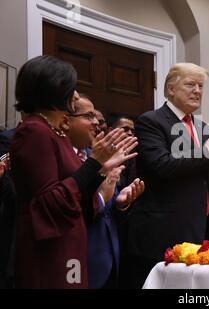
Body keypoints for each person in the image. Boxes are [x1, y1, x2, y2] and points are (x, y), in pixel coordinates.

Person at [10, 55, 134, 288]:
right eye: (72, 87)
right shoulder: (35, 131)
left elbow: (75, 199)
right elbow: (48, 203)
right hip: (49, 252)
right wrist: (94, 163)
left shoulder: (56, 133)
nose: (76, 95)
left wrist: (101, 171)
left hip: (70, 244)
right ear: (54, 87)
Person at [125, 62, 209, 288]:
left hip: (203, 229)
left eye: (201, 86)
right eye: (190, 84)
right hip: (163, 231)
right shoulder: (151, 122)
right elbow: (163, 166)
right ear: (170, 89)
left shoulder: (204, 128)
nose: (197, 91)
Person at [66, 94, 144, 288]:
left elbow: (110, 205)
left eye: (97, 118)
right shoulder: (64, 158)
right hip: (77, 260)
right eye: (88, 116)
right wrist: (100, 198)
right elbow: (68, 205)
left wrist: (121, 203)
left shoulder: (97, 156)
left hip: (109, 255)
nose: (96, 124)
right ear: (66, 120)